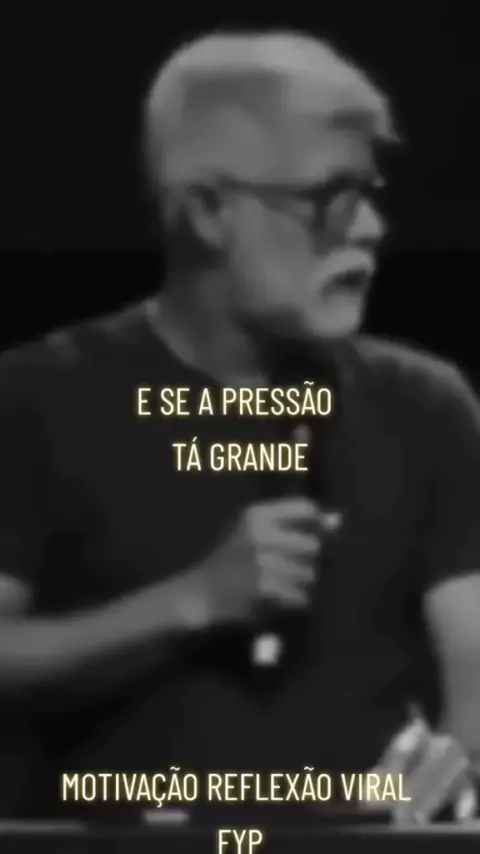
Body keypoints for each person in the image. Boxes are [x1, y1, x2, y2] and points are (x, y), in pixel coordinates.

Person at [1, 29, 480, 826]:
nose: (369, 228)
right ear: (207, 212)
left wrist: (464, 767)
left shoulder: (426, 405)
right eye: (330, 197)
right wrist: (191, 600)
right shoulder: (36, 398)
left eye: (370, 193)